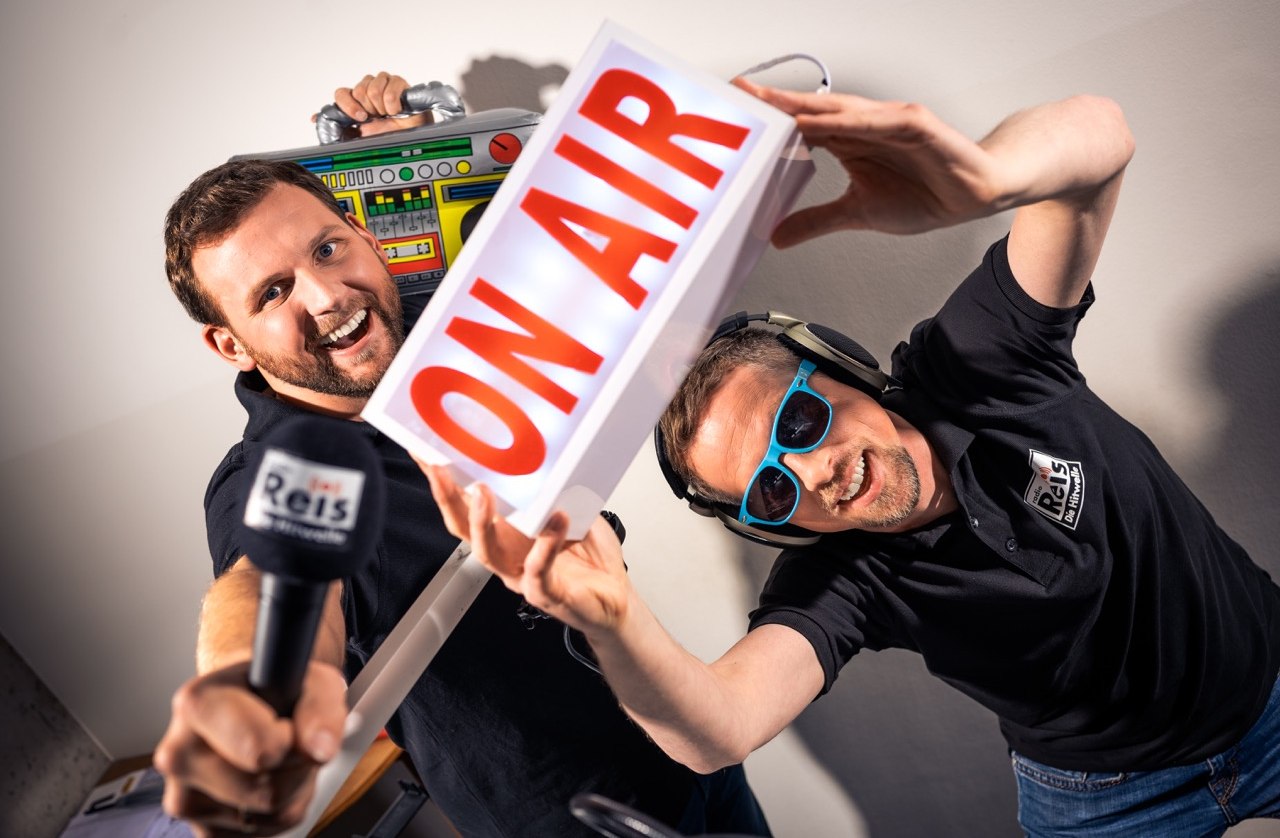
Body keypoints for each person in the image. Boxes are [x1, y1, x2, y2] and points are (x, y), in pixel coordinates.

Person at [425, 78, 1280, 836]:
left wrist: (989, 179)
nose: (809, 473)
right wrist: (614, 623)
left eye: (795, 423)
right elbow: (717, 729)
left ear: (843, 373)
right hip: (1104, 802)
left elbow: (1100, 138)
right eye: (768, 489)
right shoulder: (846, 577)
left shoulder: (982, 363)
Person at [152, 72, 771, 837]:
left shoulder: (453, 336)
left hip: (688, 739)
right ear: (228, 345)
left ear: (368, 239)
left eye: (327, 247)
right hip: (575, 821)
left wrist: (412, 152)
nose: (327, 296)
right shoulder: (283, 475)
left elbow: (549, 241)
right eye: (271, 294)